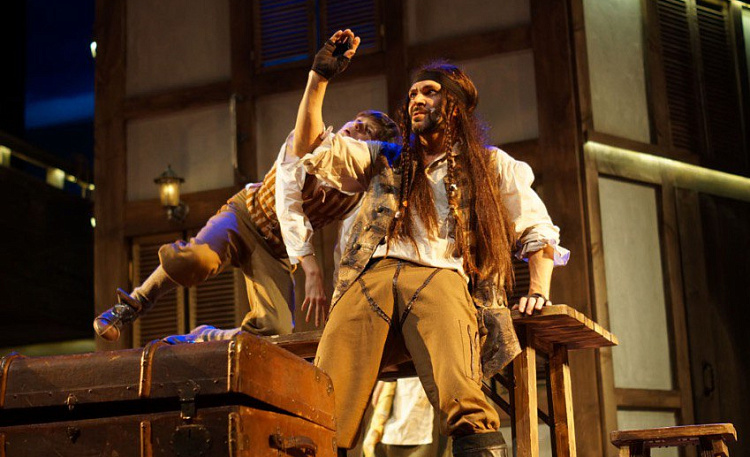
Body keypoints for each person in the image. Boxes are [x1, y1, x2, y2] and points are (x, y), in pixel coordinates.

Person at [288, 29, 569, 457]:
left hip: (440, 276)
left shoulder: (490, 164)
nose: (416, 99)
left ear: (454, 105)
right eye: (412, 94)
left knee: (462, 391)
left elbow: (537, 228)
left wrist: (538, 289)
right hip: (370, 279)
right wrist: (319, 78)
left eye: (429, 92)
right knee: (323, 400)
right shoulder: (384, 157)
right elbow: (310, 147)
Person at [92, 80, 399, 342]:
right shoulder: (308, 141)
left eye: (365, 131)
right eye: (355, 122)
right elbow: (287, 205)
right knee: (195, 259)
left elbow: (346, 246)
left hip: (275, 251)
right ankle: (129, 306)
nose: (353, 127)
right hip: (245, 216)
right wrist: (311, 269)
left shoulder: (356, 194)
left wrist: (341, 296)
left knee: (275, 331)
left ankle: (203, 337)